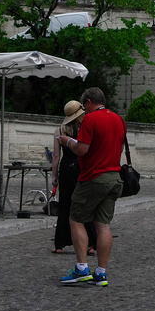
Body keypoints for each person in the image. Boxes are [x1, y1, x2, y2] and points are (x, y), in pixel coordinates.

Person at [55, 87, 125, 287]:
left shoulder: (90, 119)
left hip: (93, 177)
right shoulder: (119, 120)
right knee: (103, 225)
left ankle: (81, 268)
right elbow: (118, 148)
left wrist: (68, 142)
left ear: (87, 102)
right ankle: (101, 273)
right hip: (114, 177)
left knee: (75, 220)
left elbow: (82, 149)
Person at [51, 100, 90, 254]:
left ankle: (59, 244)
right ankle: (90, 244)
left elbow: (55, 156)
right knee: (85, 205)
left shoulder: (60, 130)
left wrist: (54, 176)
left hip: (66, 168)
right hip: (82, 167)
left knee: (65, 205)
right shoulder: (85, 129)